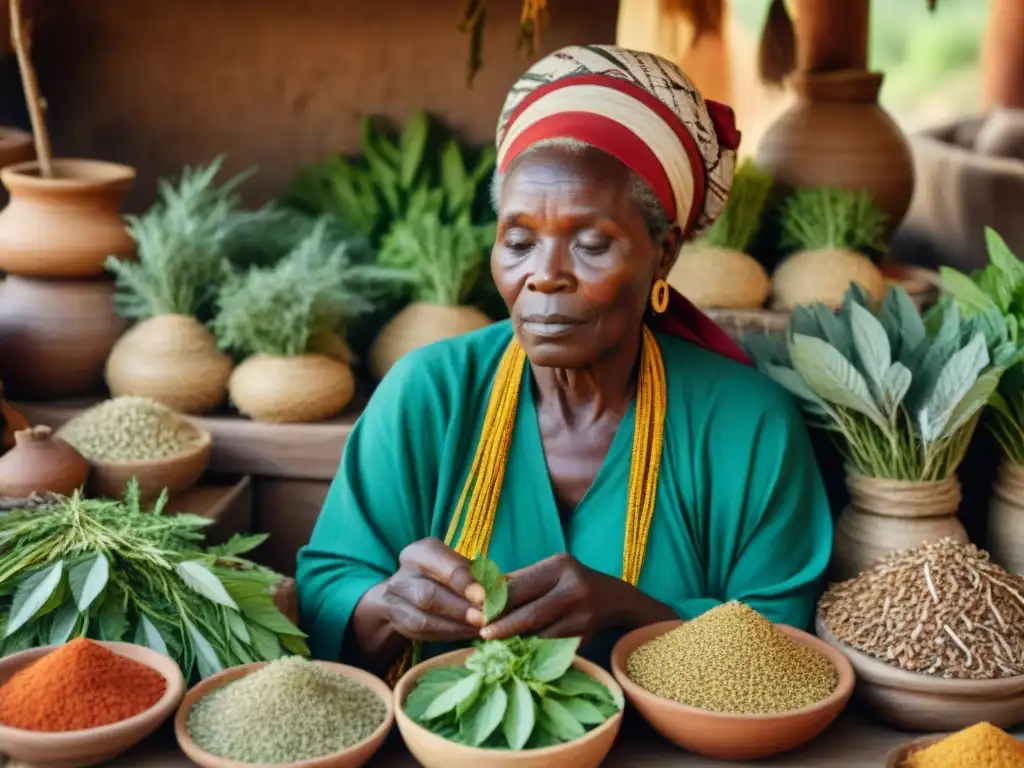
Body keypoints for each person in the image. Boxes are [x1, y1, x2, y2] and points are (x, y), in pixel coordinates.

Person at [296, 45, 832, 675]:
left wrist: (631, 612)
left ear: (662, 256)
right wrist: (387, 604)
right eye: (518, 242)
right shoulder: (428, 393)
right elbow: (328, 583)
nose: (543, 277)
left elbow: (782, 651)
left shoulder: (746, 425)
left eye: (591, 244)